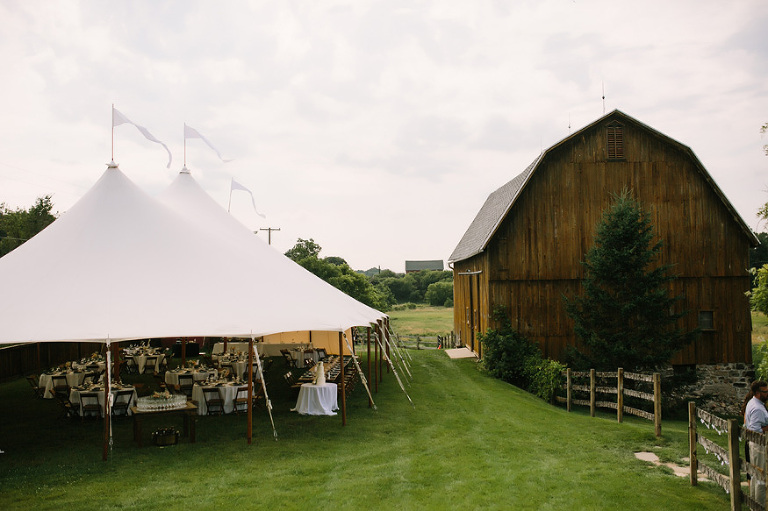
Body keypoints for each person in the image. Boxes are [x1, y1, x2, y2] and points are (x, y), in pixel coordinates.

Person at [745, 380, 768, 504]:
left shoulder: (753, 402)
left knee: (755, 475)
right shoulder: (758, 408)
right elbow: (755, 430)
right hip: (758, 446)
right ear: (758, 393)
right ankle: (760, 505)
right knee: (761, 478)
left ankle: (753, 504)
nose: (767, 394)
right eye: (765, 392)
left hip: (755, 446)